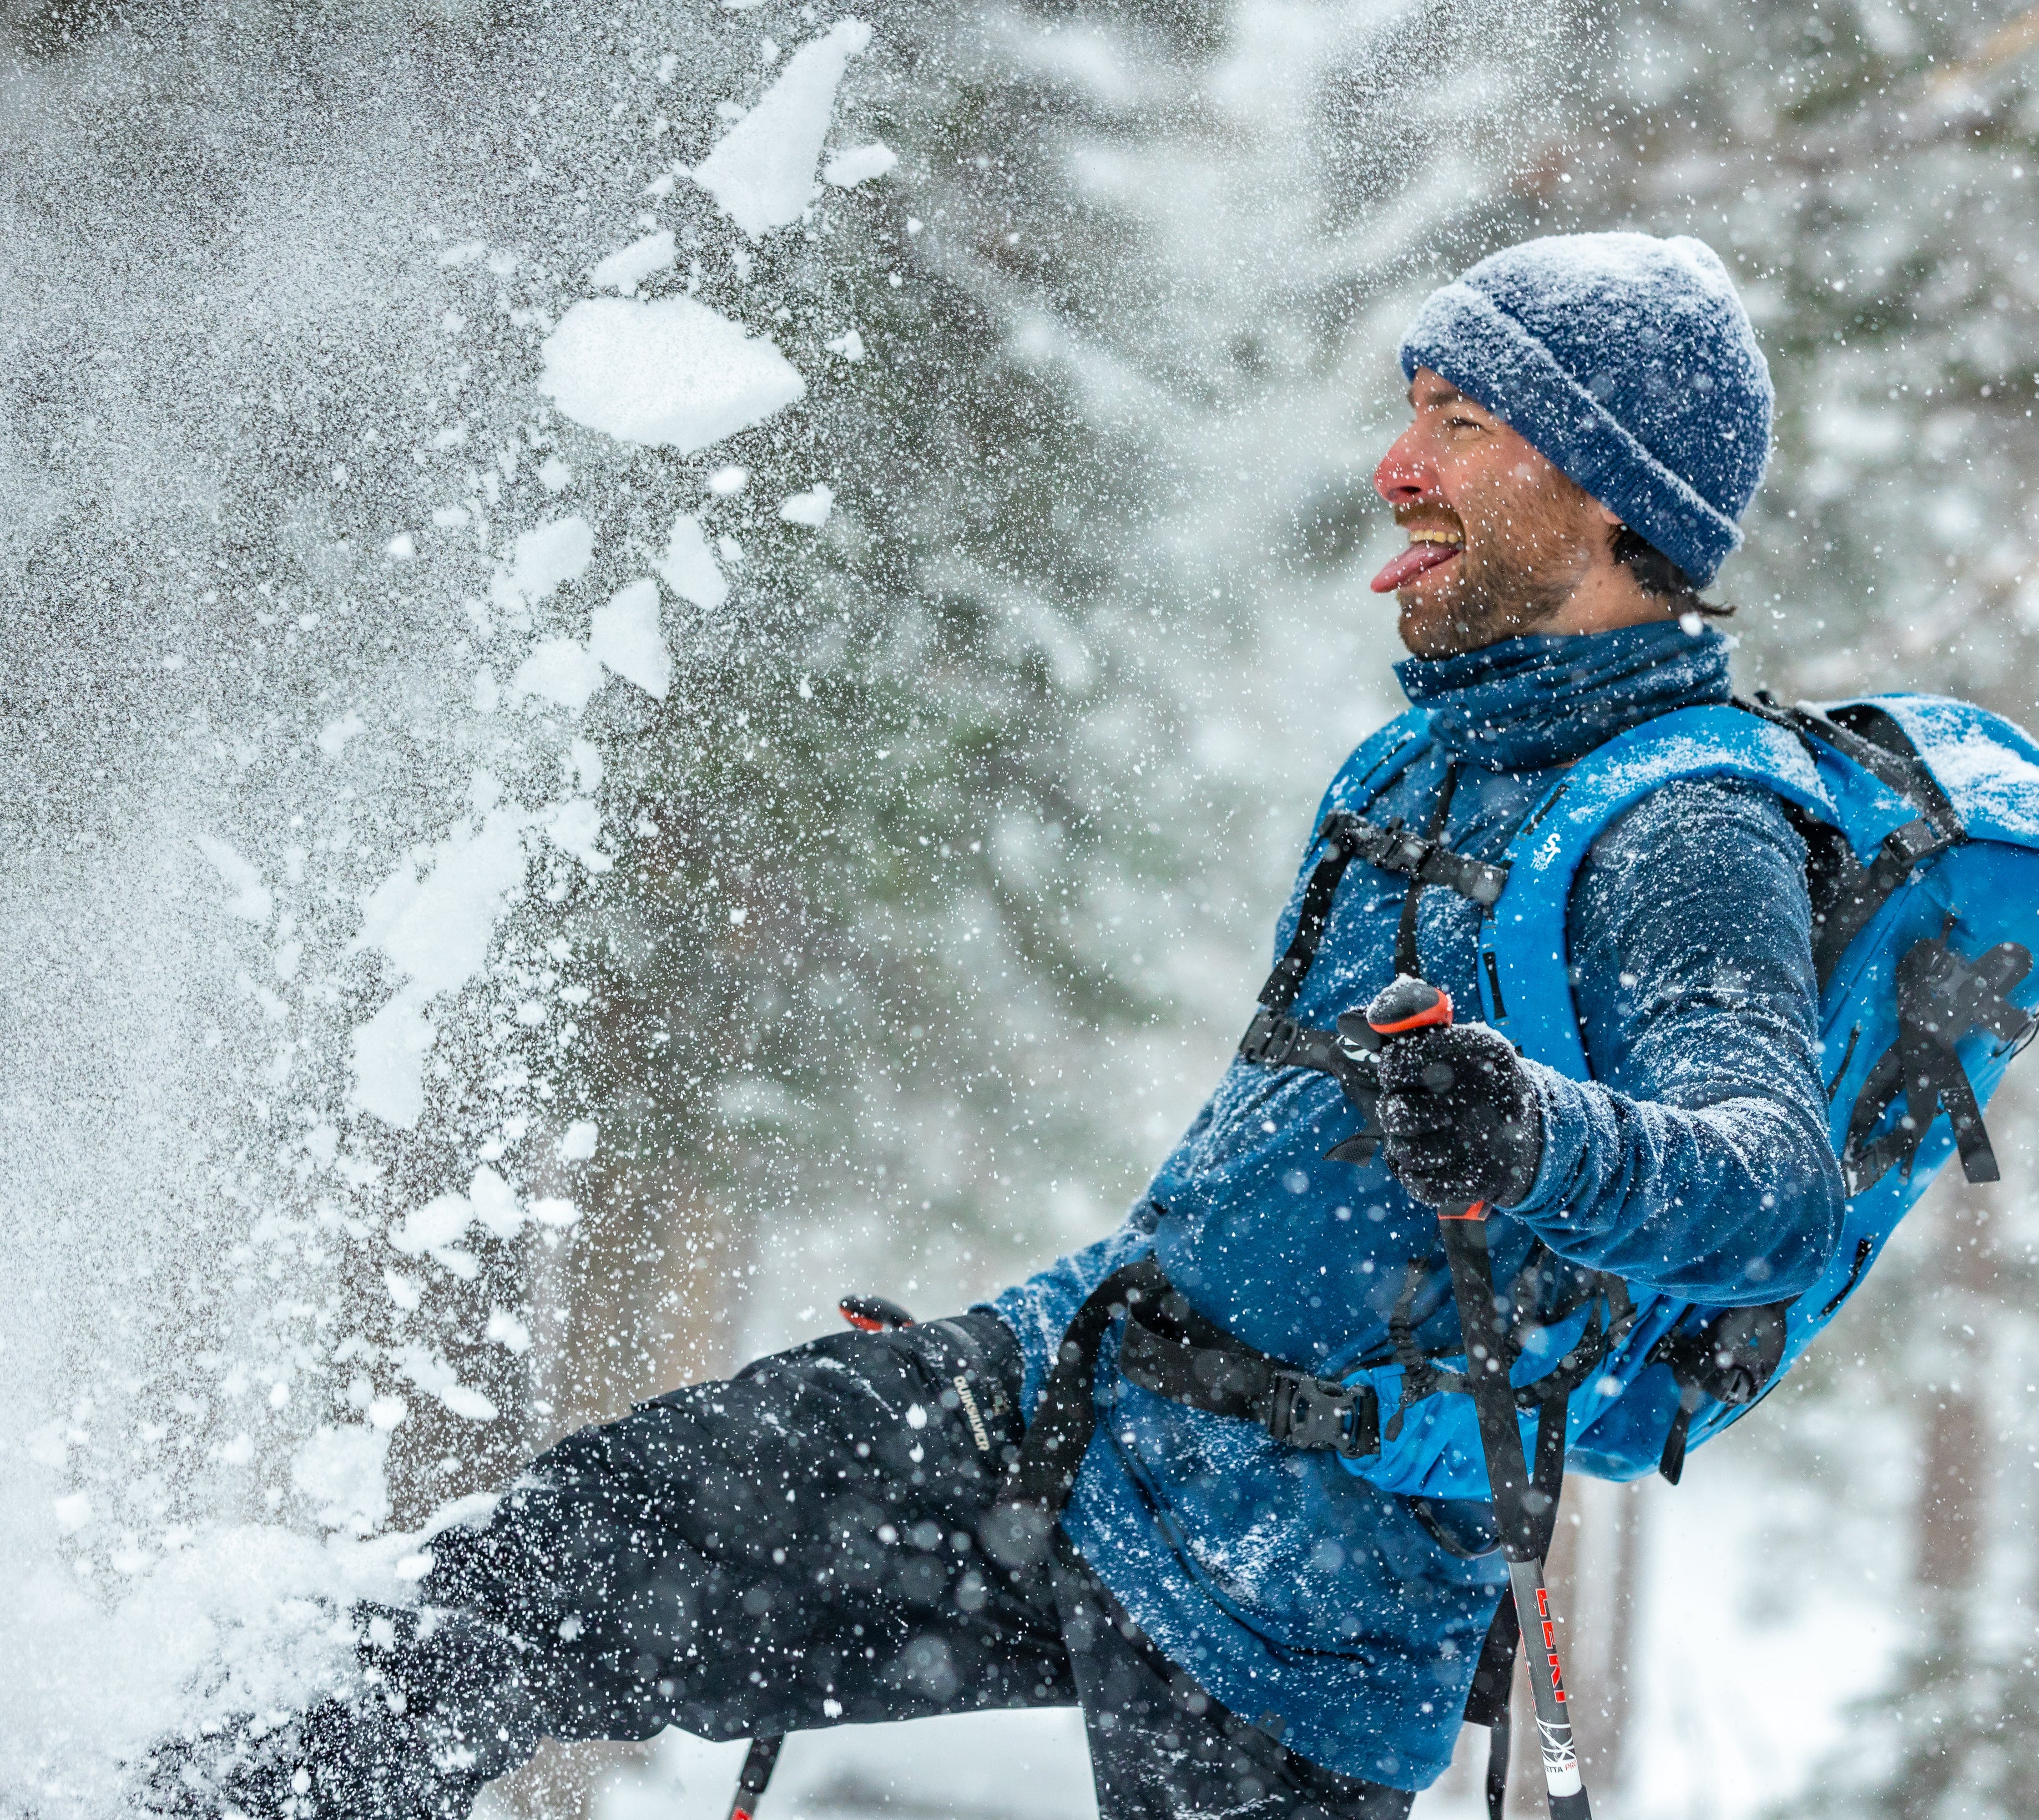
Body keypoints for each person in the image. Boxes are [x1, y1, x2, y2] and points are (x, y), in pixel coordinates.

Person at [158, 231, 1840, 1820]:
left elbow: (1773, 1188)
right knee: (566, 1563)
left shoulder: (1685, 826)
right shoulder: (1421, 757)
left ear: (1612, 489)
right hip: (1082, 1404)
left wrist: (1533, 1132)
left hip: (1316, 1583)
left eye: (1460, 426)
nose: (1397, 468)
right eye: (1409, 414)